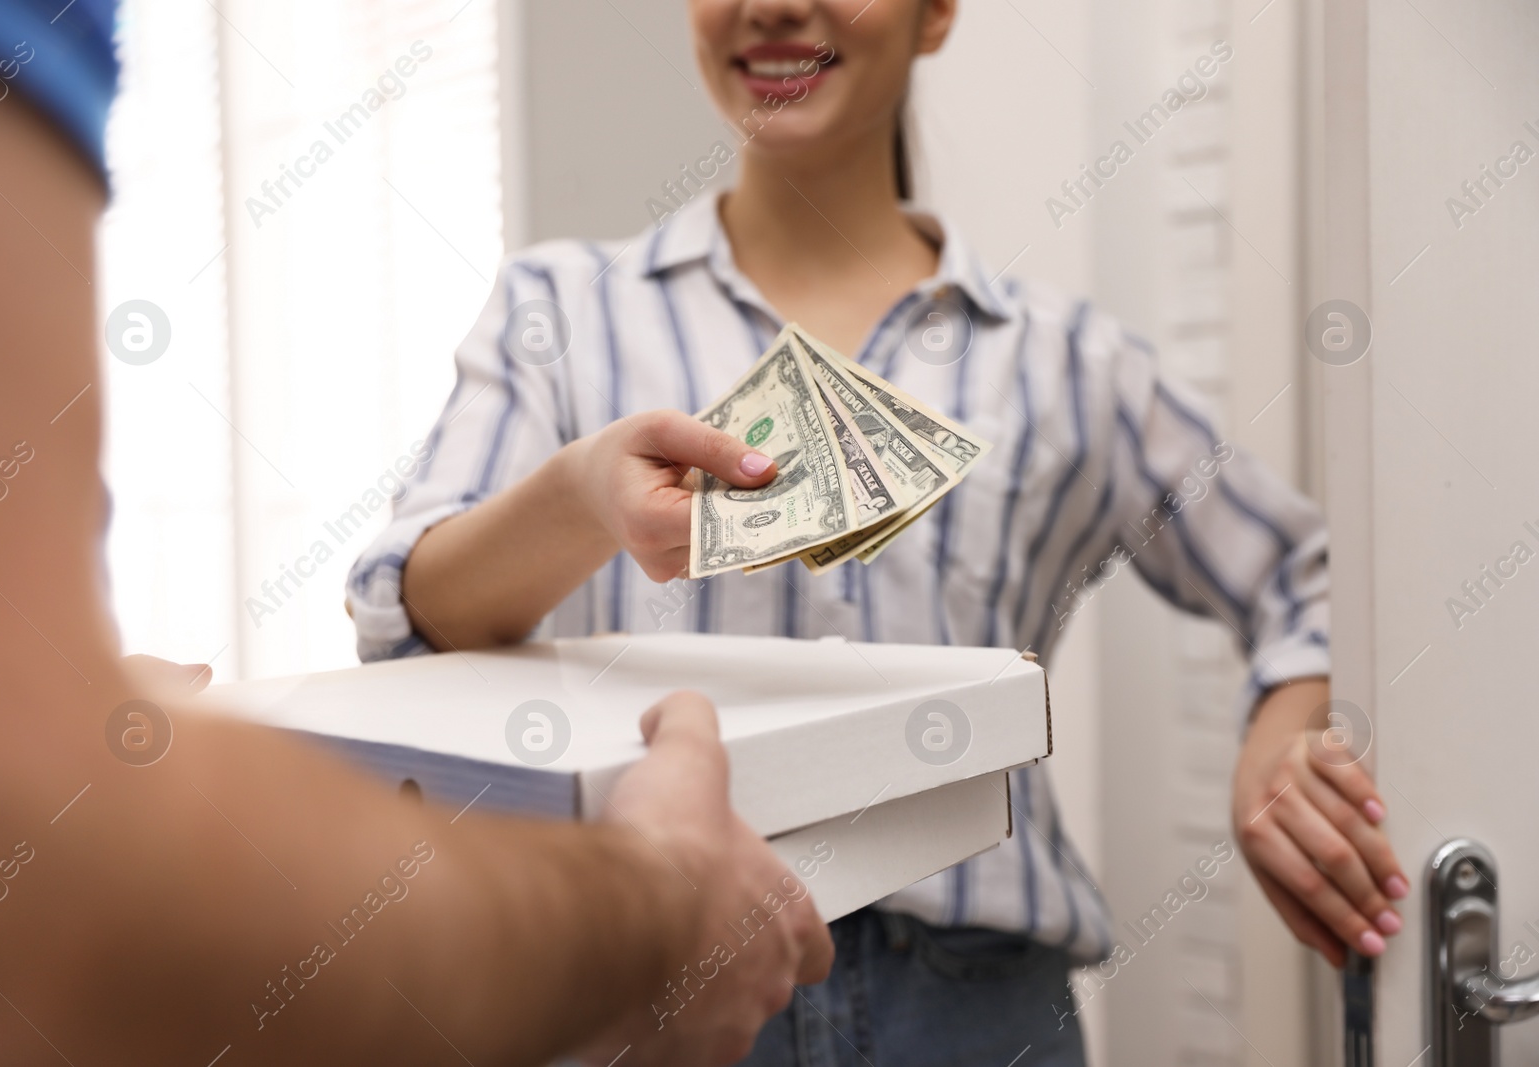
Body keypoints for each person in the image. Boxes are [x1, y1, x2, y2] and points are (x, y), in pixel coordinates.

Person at [348, 0, 1411, 1060]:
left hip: (978, 1006)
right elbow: (413, 617)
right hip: (655, 989)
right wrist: (583, 492)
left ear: (935, 13)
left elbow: (1306, 576)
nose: (773, 7)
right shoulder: (562, 309)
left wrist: (1279, 734)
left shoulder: (1071, 362)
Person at [0, 2, 831, 1064]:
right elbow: (18, 853)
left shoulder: (1072, 354)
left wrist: (85, 731)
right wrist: (660, 914)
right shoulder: (561, 298)